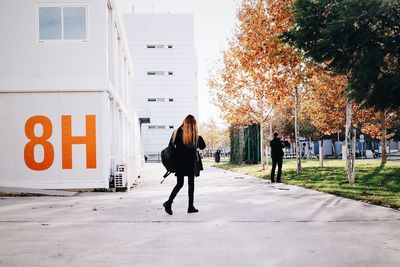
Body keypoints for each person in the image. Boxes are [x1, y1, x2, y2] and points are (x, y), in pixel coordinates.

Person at [163, 115, 206, 215]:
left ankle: (169, 203)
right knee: (191, 185)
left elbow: (170, 147)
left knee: (179, 184)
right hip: (190, 163)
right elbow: (203, 146)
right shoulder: (194, 135)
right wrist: (198, 136)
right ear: (193, 124)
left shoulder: (176, 132)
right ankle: (190, 206)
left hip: (179, 163)